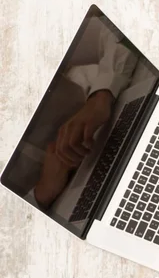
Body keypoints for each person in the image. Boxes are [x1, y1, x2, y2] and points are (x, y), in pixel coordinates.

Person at [19, 15, 138, 209]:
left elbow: (120, 25)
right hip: (64, 205)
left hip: (117, 105)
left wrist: (101, 95)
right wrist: (41, 193)